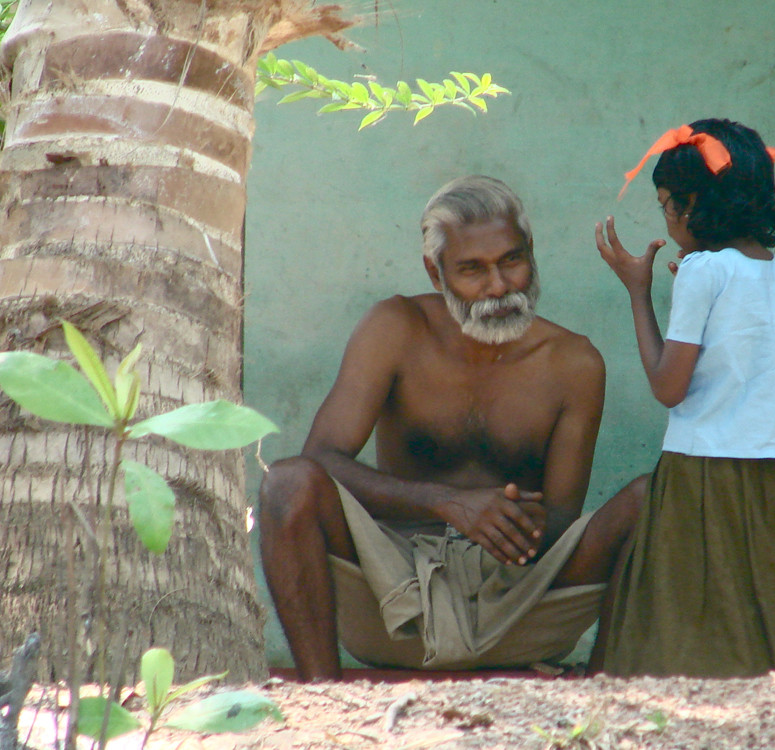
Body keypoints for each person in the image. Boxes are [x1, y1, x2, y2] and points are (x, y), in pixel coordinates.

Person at [259, 175, 642, 680]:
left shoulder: (575, 363)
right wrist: (449, 504)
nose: (499, 286)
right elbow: (321, 459)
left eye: (512, 260)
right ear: (435, 273)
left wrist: (509, 527)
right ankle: (320, 698)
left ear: (531, 252)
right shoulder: (395, 327)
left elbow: (562, 518)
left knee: (653, 498)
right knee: (286, 482)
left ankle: (606, 689)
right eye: (472, 270)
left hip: (518, 601)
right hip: (394, 597)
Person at [594, 119, 775, 677]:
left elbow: (667, 387)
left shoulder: (701, 272)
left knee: (689, 614)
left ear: (691, 203)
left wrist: (638, 290)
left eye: (665, 205)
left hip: (701, 469)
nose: (667, 219)